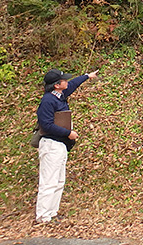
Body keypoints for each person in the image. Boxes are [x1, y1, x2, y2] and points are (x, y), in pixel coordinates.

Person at [35, 67, 98, 224]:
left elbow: (73, 84)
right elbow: (46, 125)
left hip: (60, 145)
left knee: (58, 181)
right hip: (51, 145)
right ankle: (43, 217)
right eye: (64, 80)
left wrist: (87, 76)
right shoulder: (48, 101)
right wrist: (67, 133)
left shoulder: (59, 96)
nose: (67, 82)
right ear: (57, 85)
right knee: (48, 182)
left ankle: (52, 213)